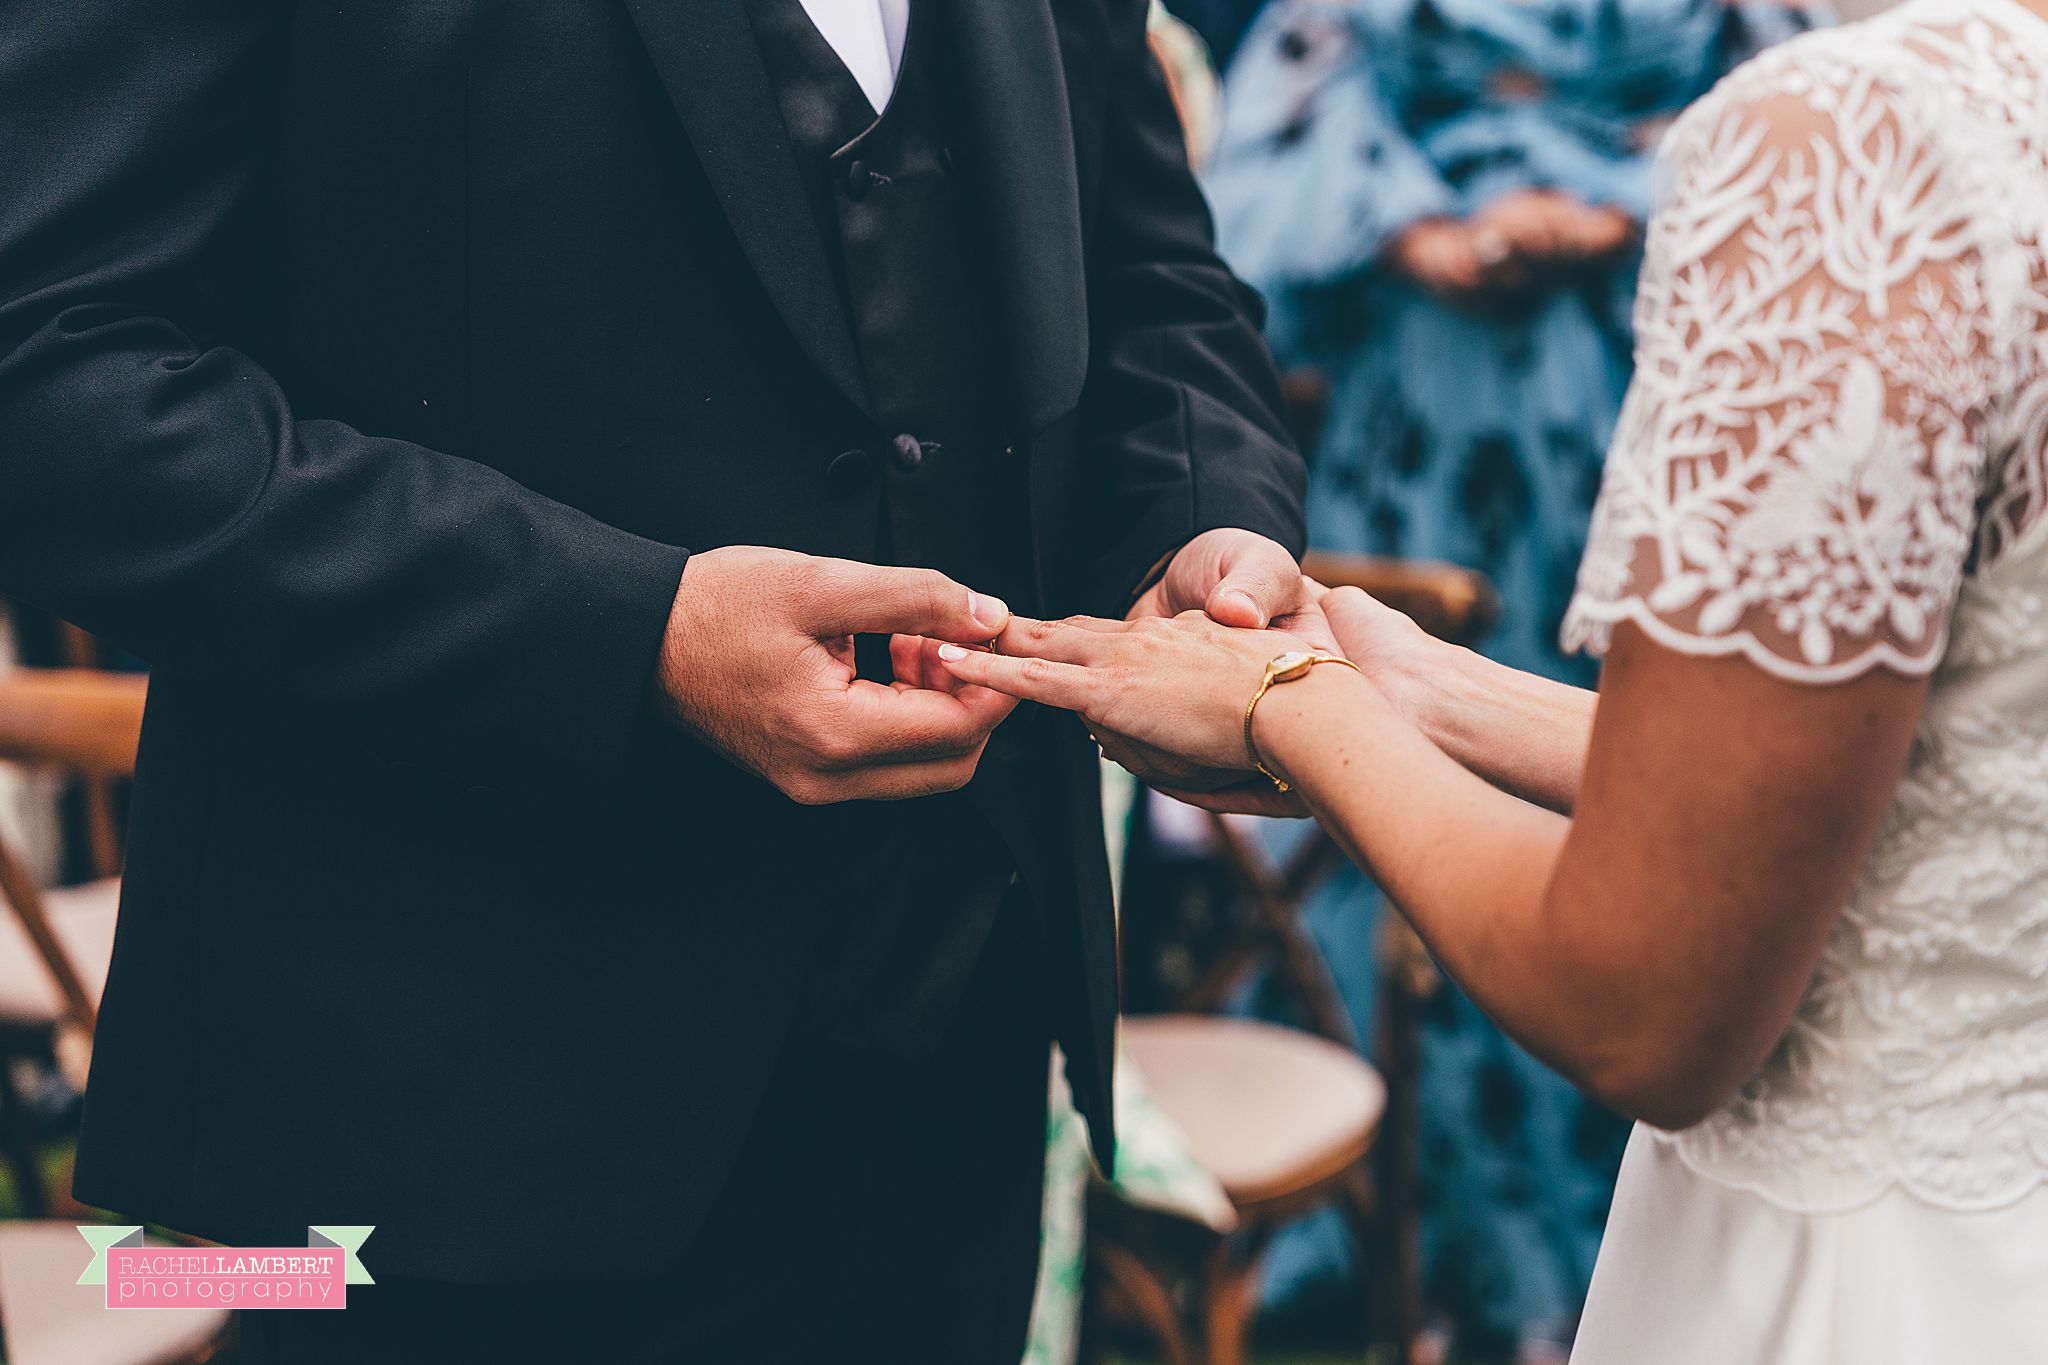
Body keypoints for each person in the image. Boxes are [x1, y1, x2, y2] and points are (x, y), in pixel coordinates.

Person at [0, 1, 1312, 1360]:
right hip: (437, 1130)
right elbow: (37, 369)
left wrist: (1204, 523)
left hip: (956, 1069)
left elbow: (1152, 279)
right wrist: (636, 633)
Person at [935, 0, 2048, 1356]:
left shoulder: (1864, 141)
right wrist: (1432, 690)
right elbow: (1957, 779)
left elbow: (1638, 1006)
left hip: (1868, 1267)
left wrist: (1287, 699)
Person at [1201, 0, 1825, 1344]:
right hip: (1424, 423)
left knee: (1635, 797)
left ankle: (1597, 1255)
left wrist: (1616, 212)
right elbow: (1253, 173)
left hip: (1624, 413)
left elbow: (1816, 145)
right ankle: (1395, 1241)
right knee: (1383, 790)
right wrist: (1413, 231)